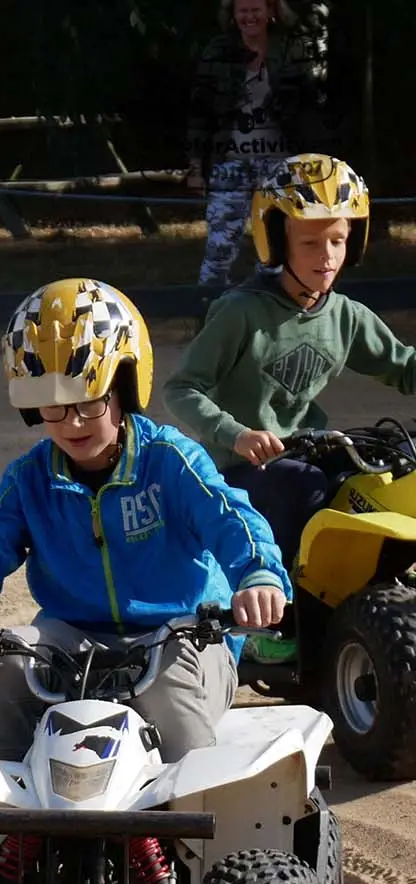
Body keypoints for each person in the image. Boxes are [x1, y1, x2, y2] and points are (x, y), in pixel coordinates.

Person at [0, 277, 289, 761]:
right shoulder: (30, 479)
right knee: (4, 661)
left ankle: (193, 799)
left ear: (125, 388)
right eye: (54, 406)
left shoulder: (170, 460)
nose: (72, 422)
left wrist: (258, 577)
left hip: (183, 635)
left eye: (89, 402)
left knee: (168, 677)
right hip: (73, 640)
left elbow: (232, 518)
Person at [165, 153, 416, 662]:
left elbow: (404, 366)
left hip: (308, 451)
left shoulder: (346, 316)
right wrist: (237, 434)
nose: (327, 256)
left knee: (383, 478)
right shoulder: (240, 313)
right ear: (277, 242)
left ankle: (360, 603)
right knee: (304, 487)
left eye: (338, 240)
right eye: (310, 243)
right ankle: (270, 620)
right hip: (239, 465)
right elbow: (181, 389)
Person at [186, 0, 323, 287]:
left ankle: (273, 309)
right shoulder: (218, 52)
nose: (250, 17)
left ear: (270, 11)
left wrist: (311, 162)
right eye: (243, 11)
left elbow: (310, 111)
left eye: (255, 9)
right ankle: (209, 308)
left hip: (281, 167)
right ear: (233, 14)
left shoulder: (291, 49)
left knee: (277, 251)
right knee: (219, 252)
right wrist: (196, 167)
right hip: (231, 164)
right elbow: (200, 114)